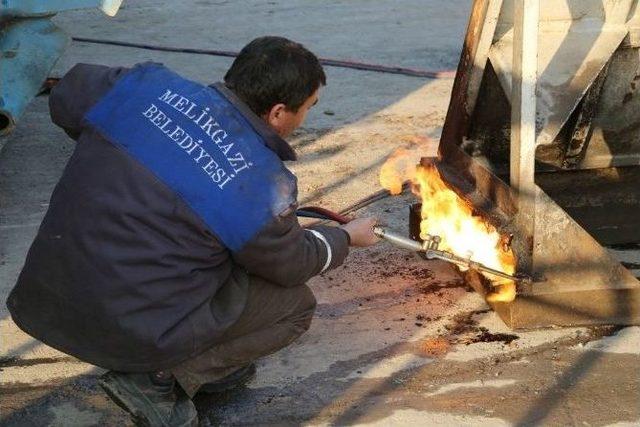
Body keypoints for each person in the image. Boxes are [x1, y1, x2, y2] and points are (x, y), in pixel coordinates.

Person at [7, 36, 379, 426]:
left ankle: (205, 364)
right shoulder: (259, 182)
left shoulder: (145, 86)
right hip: (125, 330)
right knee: (294, 306)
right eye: (307, 109)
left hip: (44, 299)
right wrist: (345, 237)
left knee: (229, 249)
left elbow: (66, 94)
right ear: (278, 112)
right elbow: (292, 263)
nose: (305, 119)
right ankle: (157, 378)